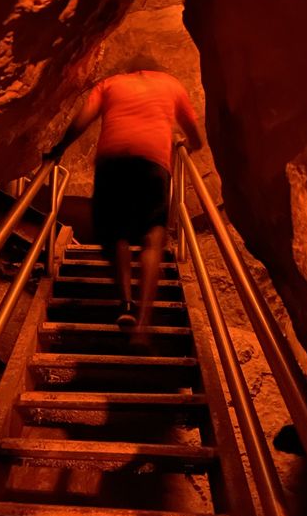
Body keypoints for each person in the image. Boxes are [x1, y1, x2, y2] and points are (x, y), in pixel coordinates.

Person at [46, 56, 202, 347]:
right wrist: (190, 146)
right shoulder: (171, 85)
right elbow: (193, 131)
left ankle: (125, 304)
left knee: (116, 233)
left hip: (113, 162)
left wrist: (59, 148)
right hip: (153, 164)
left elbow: (83, 118)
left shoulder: (111, 83)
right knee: (153, 236)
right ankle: (143, 322)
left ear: (131, 70)